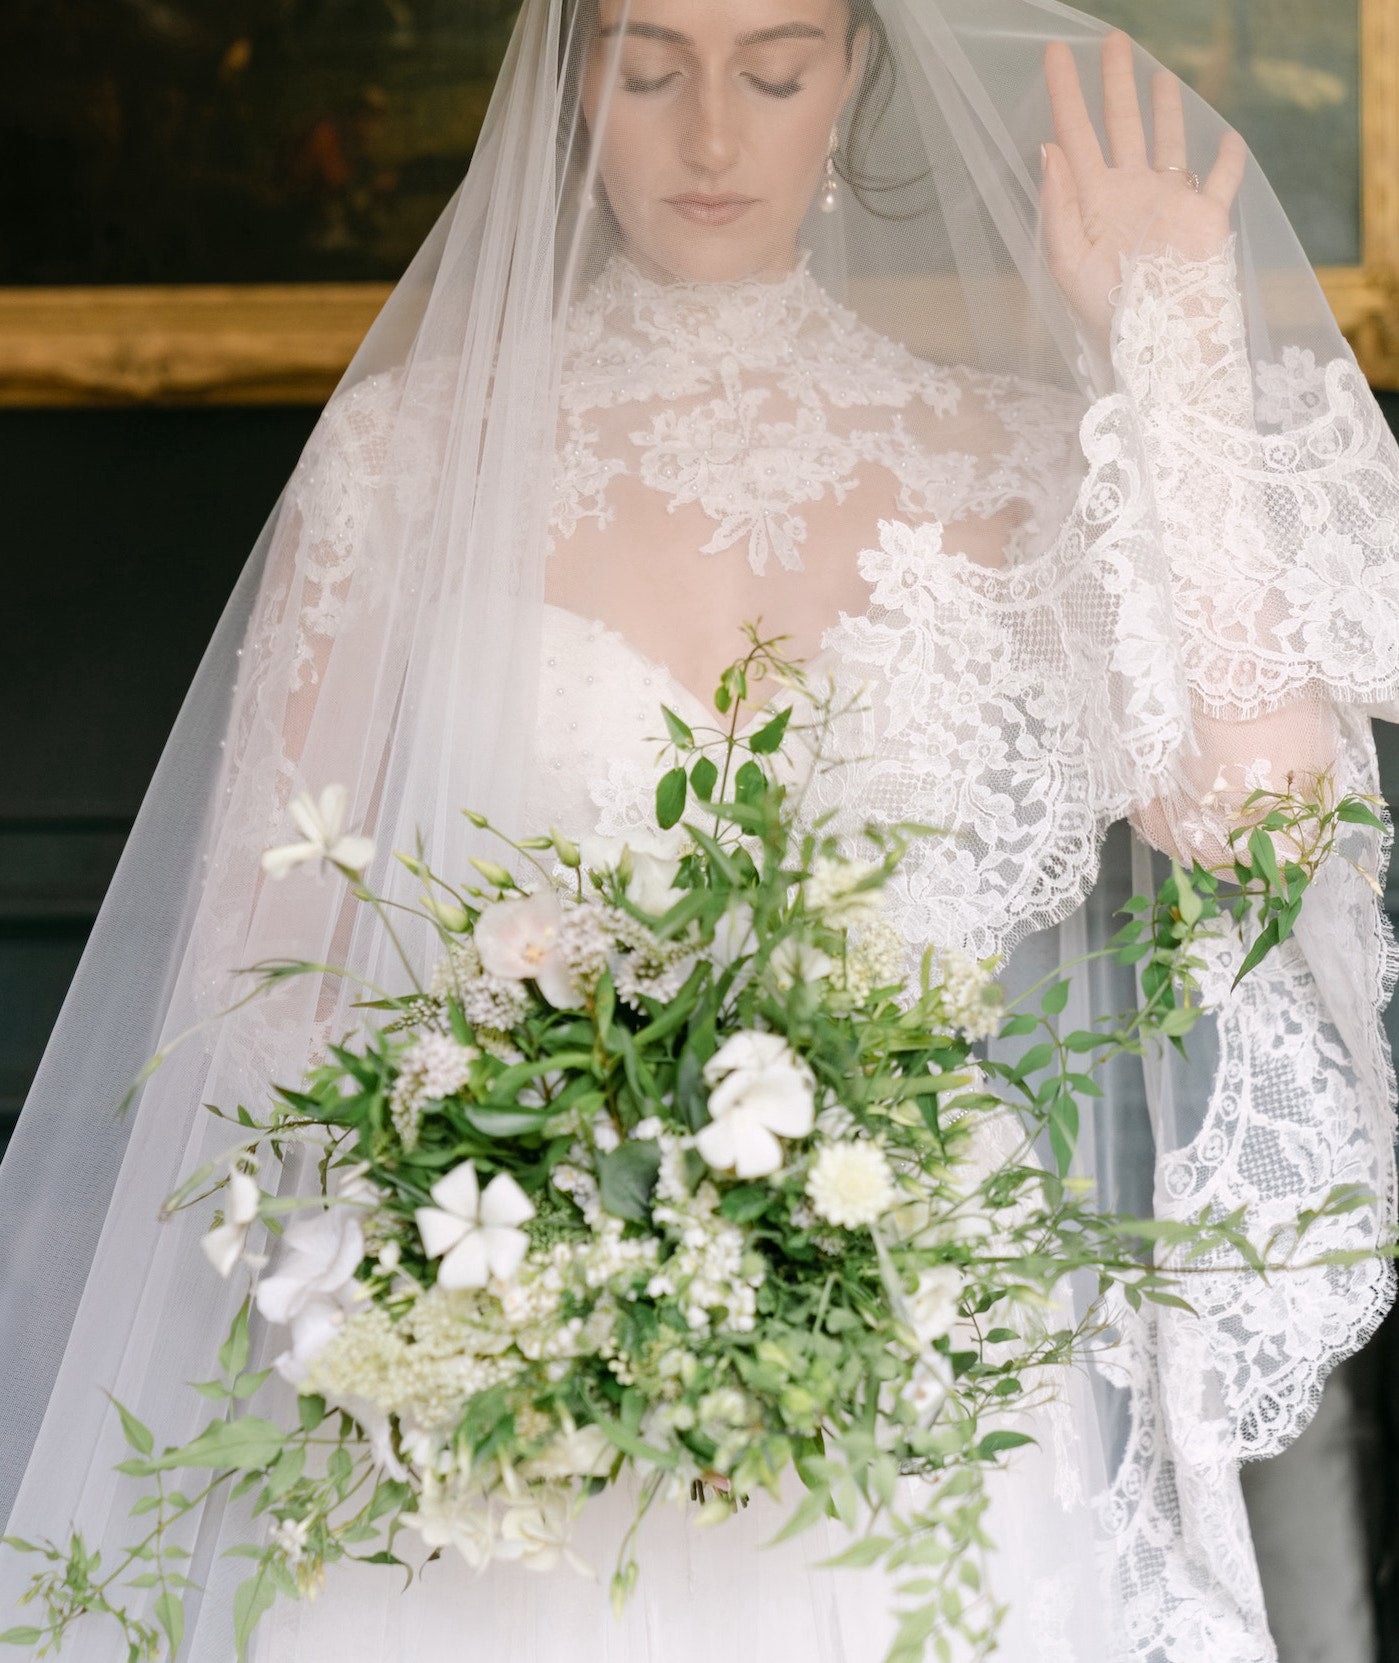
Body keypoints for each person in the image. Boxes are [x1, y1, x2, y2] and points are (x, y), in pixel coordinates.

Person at [3, 0, 1398, 1657]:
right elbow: (263, 978)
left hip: (916, 1402)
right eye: (651, 67)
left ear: (856, 73)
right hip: (498, 1386)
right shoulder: (403, 465)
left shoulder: (1003, 467)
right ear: (571, 76)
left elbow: (1262, 822)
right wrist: (496, 1206)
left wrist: (1172, 352)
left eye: (775, 66)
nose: (713, 135)